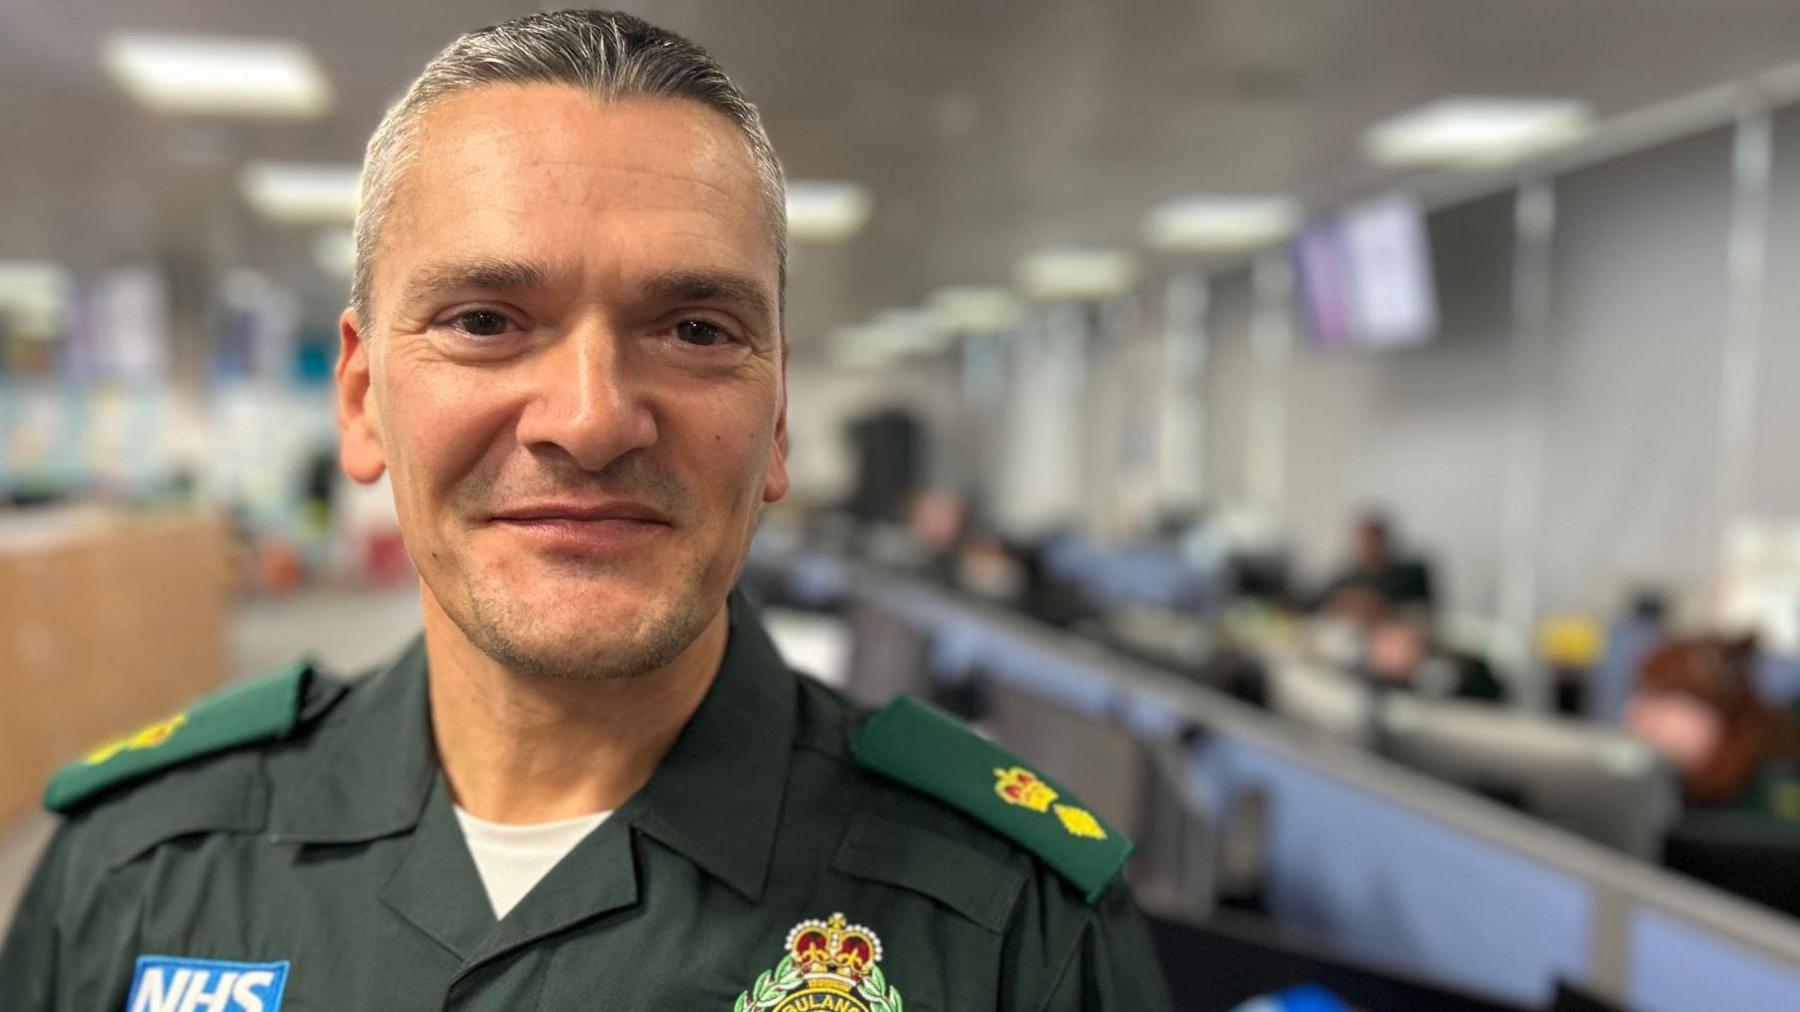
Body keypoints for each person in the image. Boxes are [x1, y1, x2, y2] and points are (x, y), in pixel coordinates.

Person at [0, 12, 1172, 1011]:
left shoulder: (1019, 933)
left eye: (697, 331)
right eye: (485, 321)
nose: (591, 417)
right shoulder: (136, 870)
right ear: (361, 398)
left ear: (777, 423)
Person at [1315, 511, 1435, 618]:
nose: (1370, 547)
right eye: (1365, 541)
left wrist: (1381, 606)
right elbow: (1319, 605)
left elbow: (1423, 608)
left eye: (1375, 540)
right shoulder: (1345, 579)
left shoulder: (1411, 575)